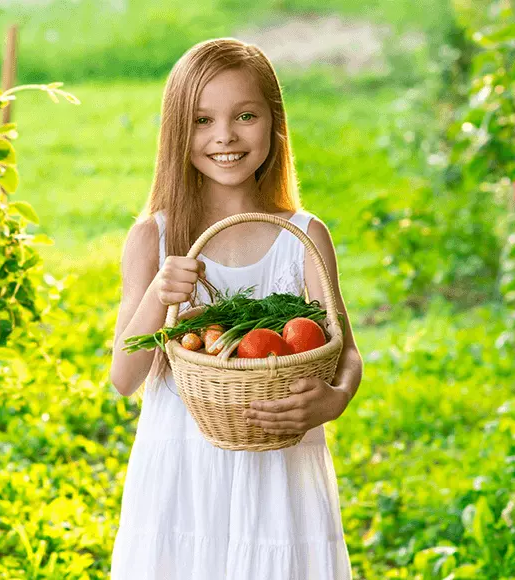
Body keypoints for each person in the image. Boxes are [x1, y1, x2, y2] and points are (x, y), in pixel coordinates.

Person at [107, 38, 363, 579]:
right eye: (202, 119)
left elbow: (347, 353)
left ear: (275, 123)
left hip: (280, 471)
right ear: (178, 130)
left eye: (245, 115)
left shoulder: (303, 236)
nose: (225, 136)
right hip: (182, 472)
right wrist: (159, 293)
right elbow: (124, 377)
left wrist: (333, 401)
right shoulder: (154, 238)